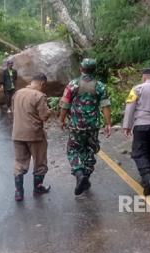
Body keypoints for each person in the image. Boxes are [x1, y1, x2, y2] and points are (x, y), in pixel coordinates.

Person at [59, 58, 112, 196]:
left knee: (73, 149)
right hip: (93, 125)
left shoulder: (73, 84)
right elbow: (105, 106)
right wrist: (108, 124)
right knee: (90, 149)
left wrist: (61, 120)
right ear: (94, 70)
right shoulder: (100, 86)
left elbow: (65, 104)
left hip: (77, 125)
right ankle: (86, 177)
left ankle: (79, 174)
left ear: (81, 69)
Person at [12, 73, 51, 201]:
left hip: (17, 134)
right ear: (42, 84)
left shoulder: (17, 93)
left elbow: (14, 110)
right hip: (35, 135)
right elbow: (44, 116)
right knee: (40, 163)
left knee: (19, 163)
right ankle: (38, 188)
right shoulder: (39, 96)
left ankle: (19, 192)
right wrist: (49, 111)